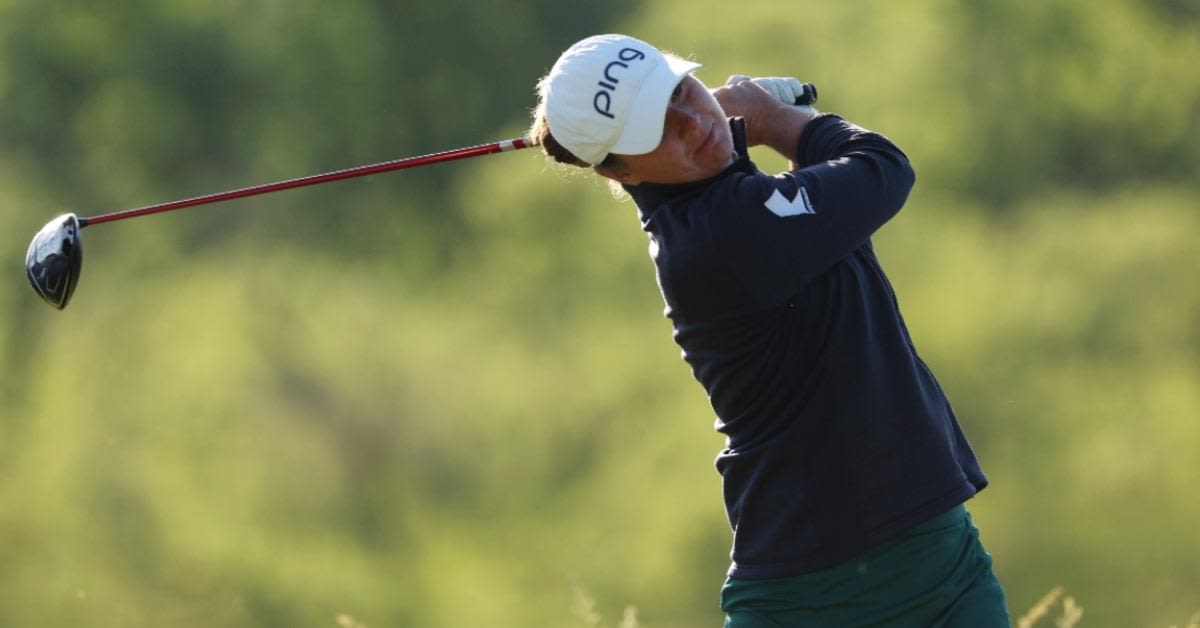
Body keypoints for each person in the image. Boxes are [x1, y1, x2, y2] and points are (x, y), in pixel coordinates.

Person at [530, 34, 1010, 627]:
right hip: (814, 600)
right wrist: (780, 121)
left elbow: (793, 199)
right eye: (655, 126)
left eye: (679, 89)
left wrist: (739, 131)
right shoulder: (717, 236)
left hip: (941, 562)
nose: (688, 119)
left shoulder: (728, 205)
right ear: (621, 170)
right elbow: (883, 169)